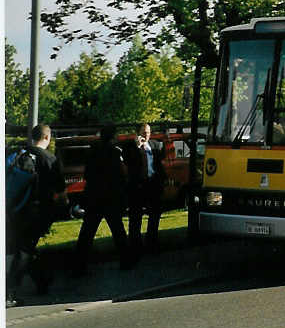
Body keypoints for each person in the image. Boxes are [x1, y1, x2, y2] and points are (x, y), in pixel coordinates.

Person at [6, 124, 66, 307]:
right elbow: (61, 192)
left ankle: (42, 281)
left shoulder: (19, 153)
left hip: (15, 209)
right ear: (47, 138)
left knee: (25, 247)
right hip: (36, 212)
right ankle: (8, 293)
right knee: (24, 251)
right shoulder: (49, 159)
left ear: (32, 137)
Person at [73, 125, 132, 275]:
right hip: (111, 197)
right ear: (112, 137)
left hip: (94, 196)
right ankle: (126, 261)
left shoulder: (92, 152)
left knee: (87, 232)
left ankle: (79, 265)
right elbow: (121, 175)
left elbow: (87, 175)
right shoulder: (115, 152)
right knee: (118, 230)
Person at [125, 123, 166, 258]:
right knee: (136, 217)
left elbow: (160, 163)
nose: (146, 135)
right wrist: (137, 147)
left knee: (154, 215)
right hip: (138, 186)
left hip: (152, 184)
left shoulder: (155, 145)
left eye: (148, 132)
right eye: (143, 133)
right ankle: (135, 246)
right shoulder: (130, 146)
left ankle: (152, 242)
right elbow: (128, 161)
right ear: (137, 133)